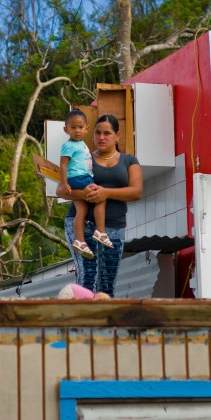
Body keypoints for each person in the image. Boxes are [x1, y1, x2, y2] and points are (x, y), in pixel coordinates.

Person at [56, 114, 143, 296]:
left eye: (107, 133)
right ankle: (84, 322)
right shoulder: (84, 156)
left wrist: (106, 192)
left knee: (108, 282)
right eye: (97, 133)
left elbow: (136, 191)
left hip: (114, 227)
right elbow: (61, 191)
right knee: (87, 277)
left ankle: (104, 323)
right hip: (83, 224)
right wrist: (89, 194)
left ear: (117, 135)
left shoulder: (129, 160)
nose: (101, 137)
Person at [59, 109, 112, 260]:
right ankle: (100, 231)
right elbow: (63, 165)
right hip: (80, 179)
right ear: (66, 129)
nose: (77, 131)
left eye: (80, 127)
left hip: (79, 179)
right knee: (101, 197)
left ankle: (80, 241)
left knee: (80, 211)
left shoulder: (82, 144)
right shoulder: (68, 145)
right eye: (73, 127)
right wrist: (63, 183)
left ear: (86, 128)